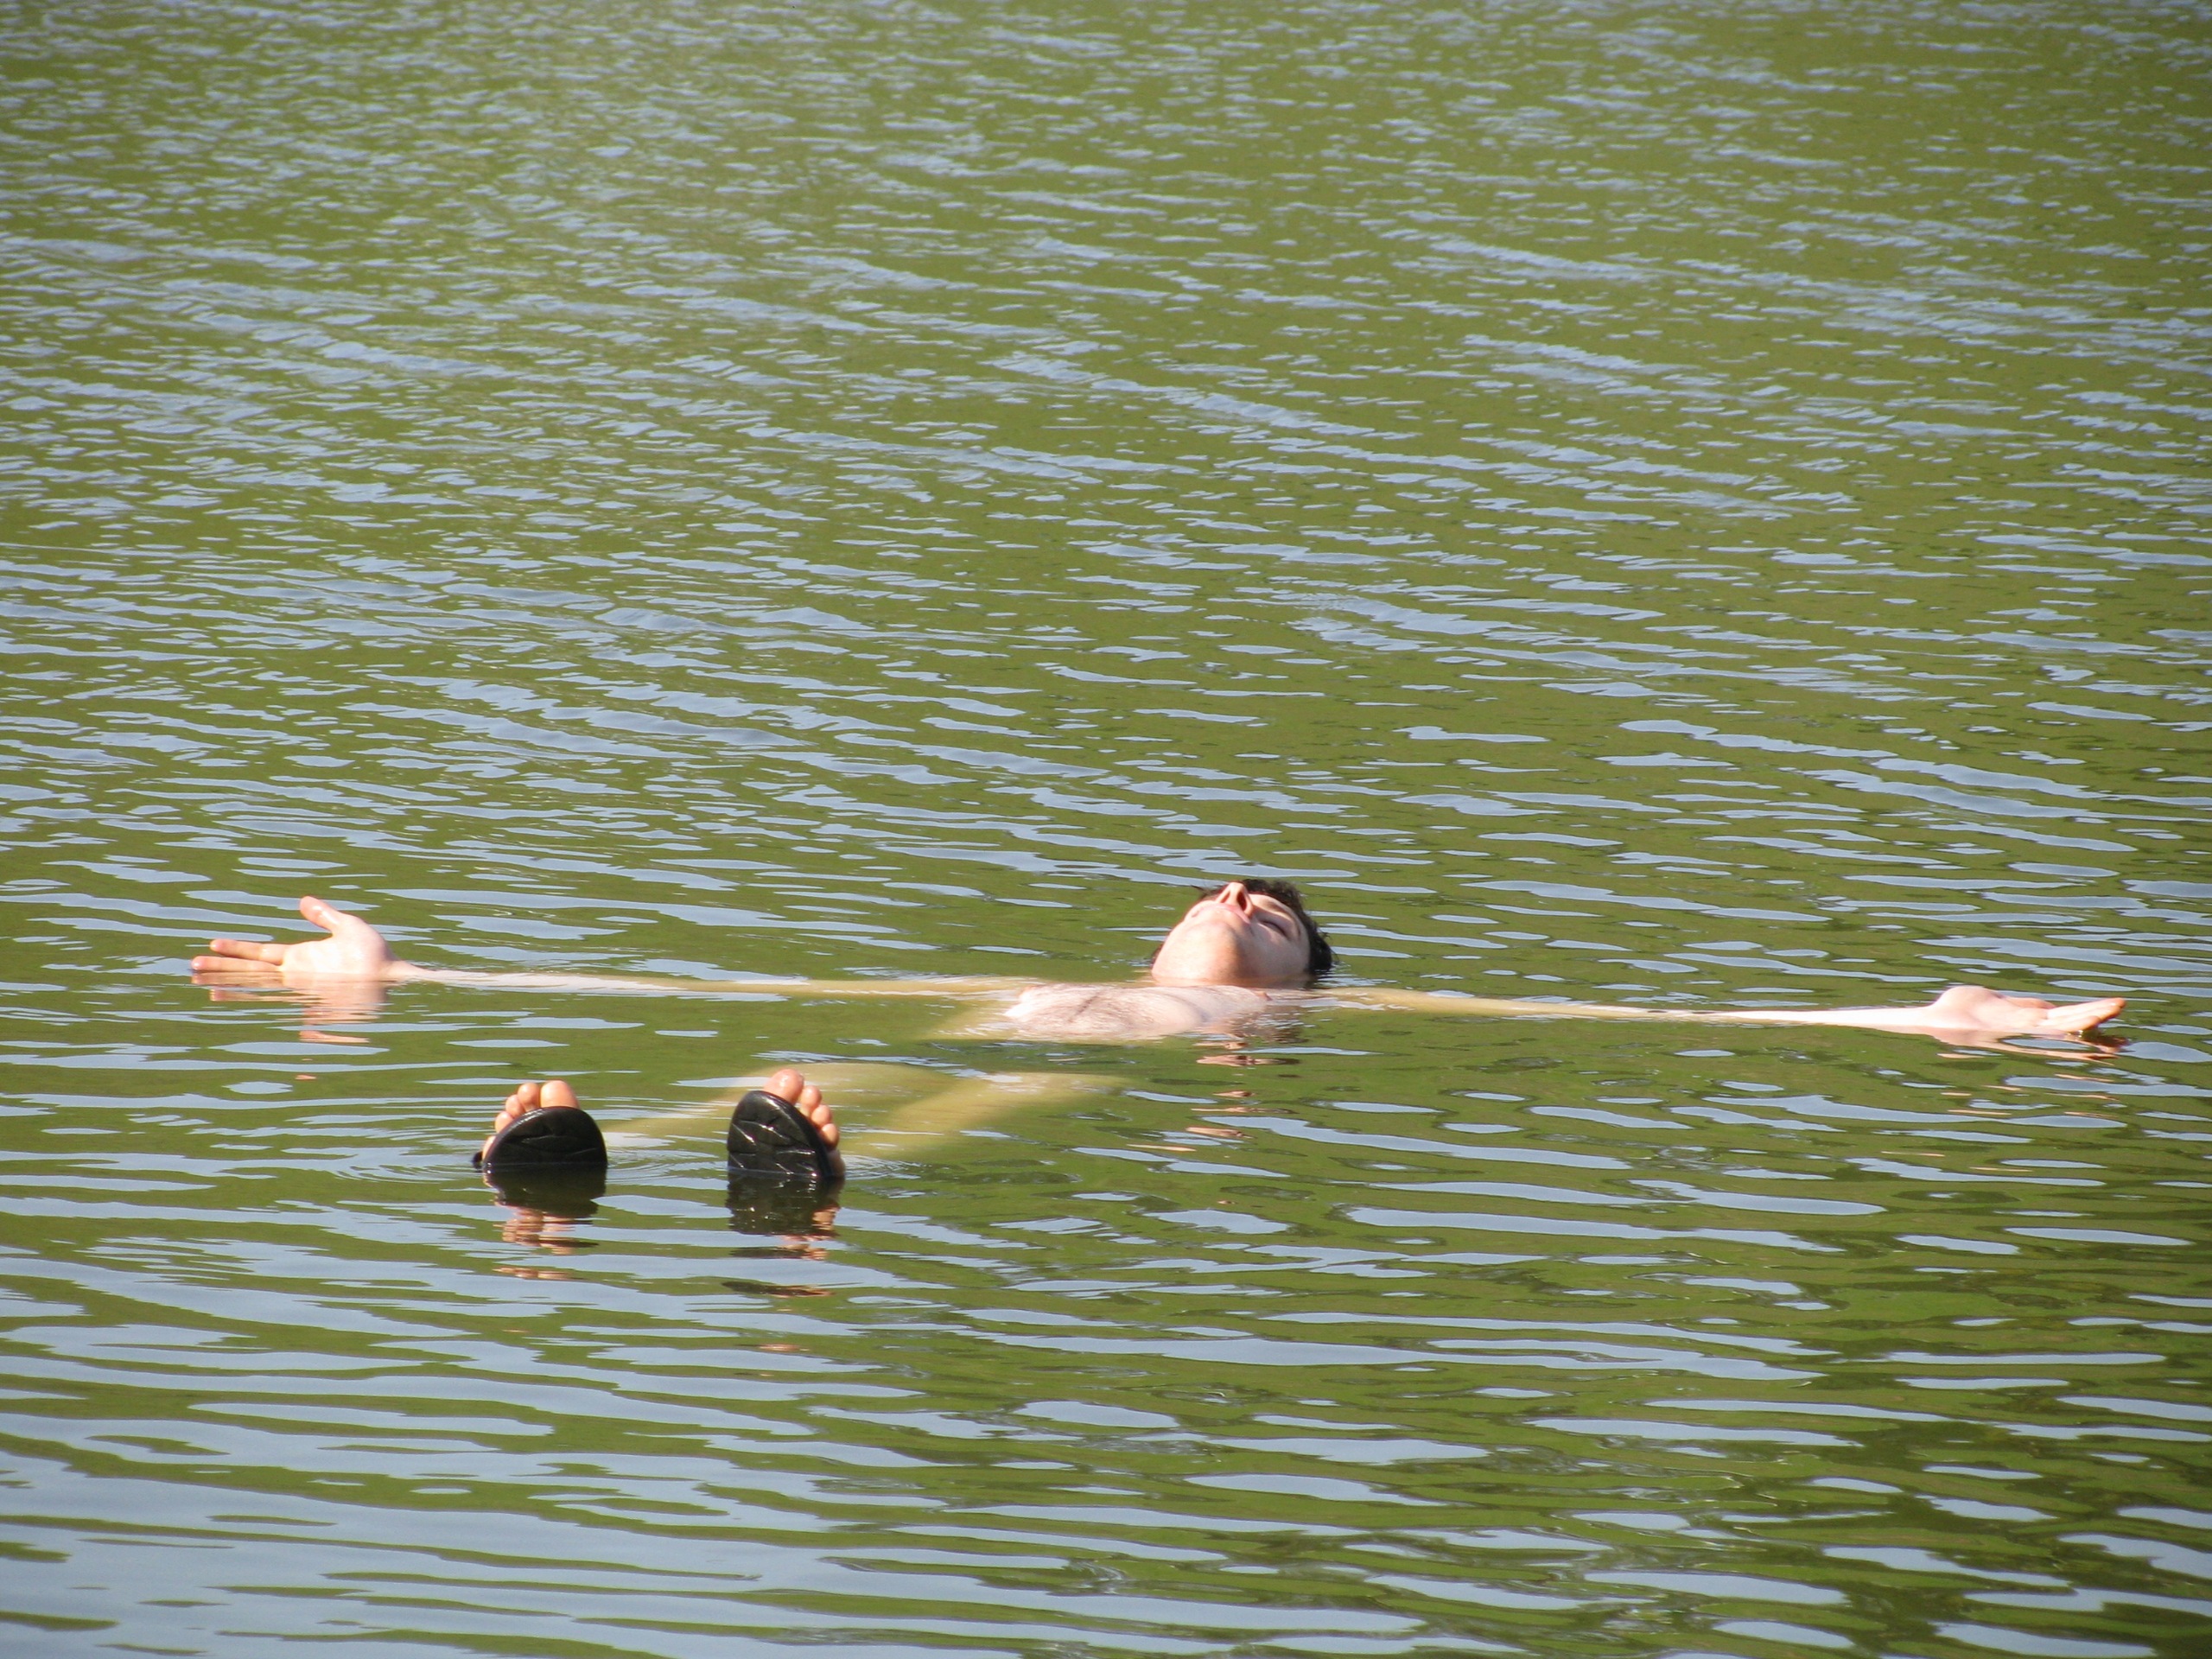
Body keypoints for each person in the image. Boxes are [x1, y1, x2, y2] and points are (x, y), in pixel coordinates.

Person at [190, 880, 2126, 1180]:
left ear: (1290, 985)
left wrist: (1936, 1016)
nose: (1240, 894)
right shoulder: (1011, 965)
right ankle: (570, 1149)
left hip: (1078, 1063)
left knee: (955, 1095)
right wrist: (390, 976)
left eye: (1275, 911)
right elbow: (678, 980)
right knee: (779, 1058)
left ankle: (819, 1174)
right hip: (1000, 1027)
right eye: (1226, 884)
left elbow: (1628, 1010)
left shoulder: (1256, 1023)